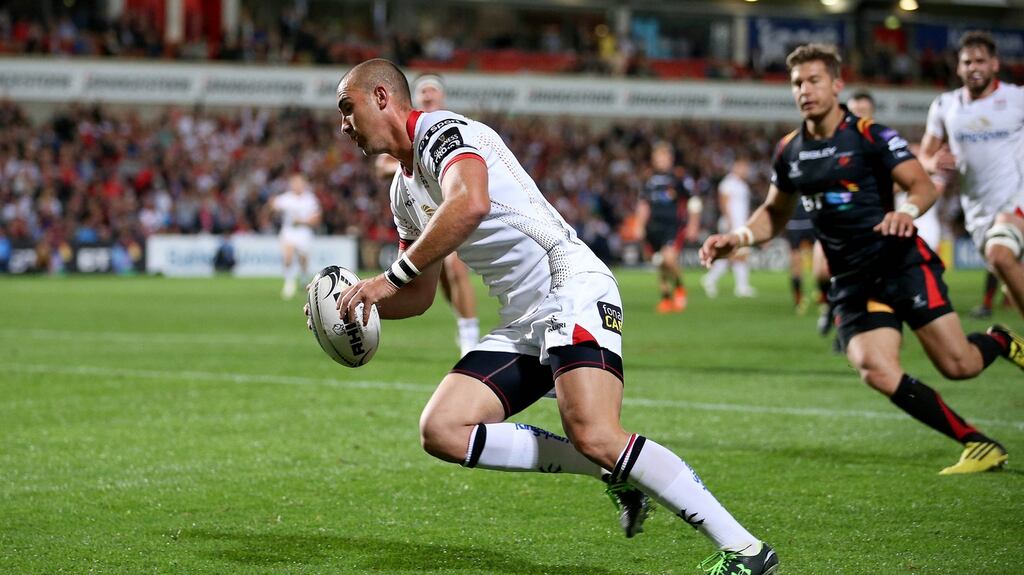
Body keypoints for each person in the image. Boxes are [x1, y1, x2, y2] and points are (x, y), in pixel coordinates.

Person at [322, 58, 778, 574]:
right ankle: (610, 473)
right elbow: (420, 294)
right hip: (524, 320)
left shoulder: (441, 131)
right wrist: (360, 307)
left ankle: (746, 549)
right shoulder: (402, 192)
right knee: (442, 429)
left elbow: (470, 202)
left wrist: (389, 277)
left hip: (571, 287)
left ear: (381, 97)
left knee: (597, 433)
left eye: (347, 107)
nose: (344, 123)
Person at [700, 43, 1022, 475]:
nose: (805, 90)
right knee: (874, 368)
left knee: (958, 365)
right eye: (797, 83)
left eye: (814, 81)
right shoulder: (790, 150)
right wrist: (737, 237)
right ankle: (978, 443)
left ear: (837, 85)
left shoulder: (871, 135)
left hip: (899, 263)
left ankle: (999, 341)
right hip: (851, 279)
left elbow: (922, 186)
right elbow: (774, 213)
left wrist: (906, 213)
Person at [919, 31, 1024, 321]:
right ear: (958, 67)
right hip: (977, 211)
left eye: (980, 61)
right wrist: (933, 163)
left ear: (994, 64)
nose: (974, 67)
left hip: (1016, 197)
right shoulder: (945, 106)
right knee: (1007, 273)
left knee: (1000, 255)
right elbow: (925, 156)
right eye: (967, 62)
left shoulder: (1017, 98)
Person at [374, 73, 480, 356]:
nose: (428, 95)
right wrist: (411, 165)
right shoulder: (405, 130)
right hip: (421, 213)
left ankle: (470, 336)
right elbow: (381, 165)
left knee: (455, 266)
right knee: (440, 279)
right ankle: (464, 323)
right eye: (423, 91)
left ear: (442, 97)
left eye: (433, 90)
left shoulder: (449, 127)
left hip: (451, 208)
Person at [636, 142, 701, 313]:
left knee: (669, 258)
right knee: (661, 263)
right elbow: (643, 203)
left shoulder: (679, 177)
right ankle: (665, 298)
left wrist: (693, 225)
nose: (661, 160)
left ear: (670, 158)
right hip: (653, 227)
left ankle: (679, 287)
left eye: (664, 156)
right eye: (658, 157)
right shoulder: (649, 179)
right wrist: (640, 225)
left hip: (673, 225)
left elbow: (694, 201)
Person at [701, 156, 757, 298]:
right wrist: (729, 221)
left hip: (741, 224)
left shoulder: (743, 185)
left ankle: (714, 280)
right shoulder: (728, 183)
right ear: (735, 167)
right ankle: (740, 286)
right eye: (743, 167)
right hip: (732, 224)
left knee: (735, 255)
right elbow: (723, 203)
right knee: (735, 254)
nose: (745, 170)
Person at [270, 173, 321, 299]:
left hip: (304, 232)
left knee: (303, 259)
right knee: (288, 256)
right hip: (289, 231)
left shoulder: (310, 199)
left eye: (299, 183)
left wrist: (301, 221)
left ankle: (304, 279)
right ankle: (289, 283)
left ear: (304, 184)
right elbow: (273, 205)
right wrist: (273, 205)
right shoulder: (286, 198)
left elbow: (316, 219)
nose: (296, 185)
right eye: (294, 183)